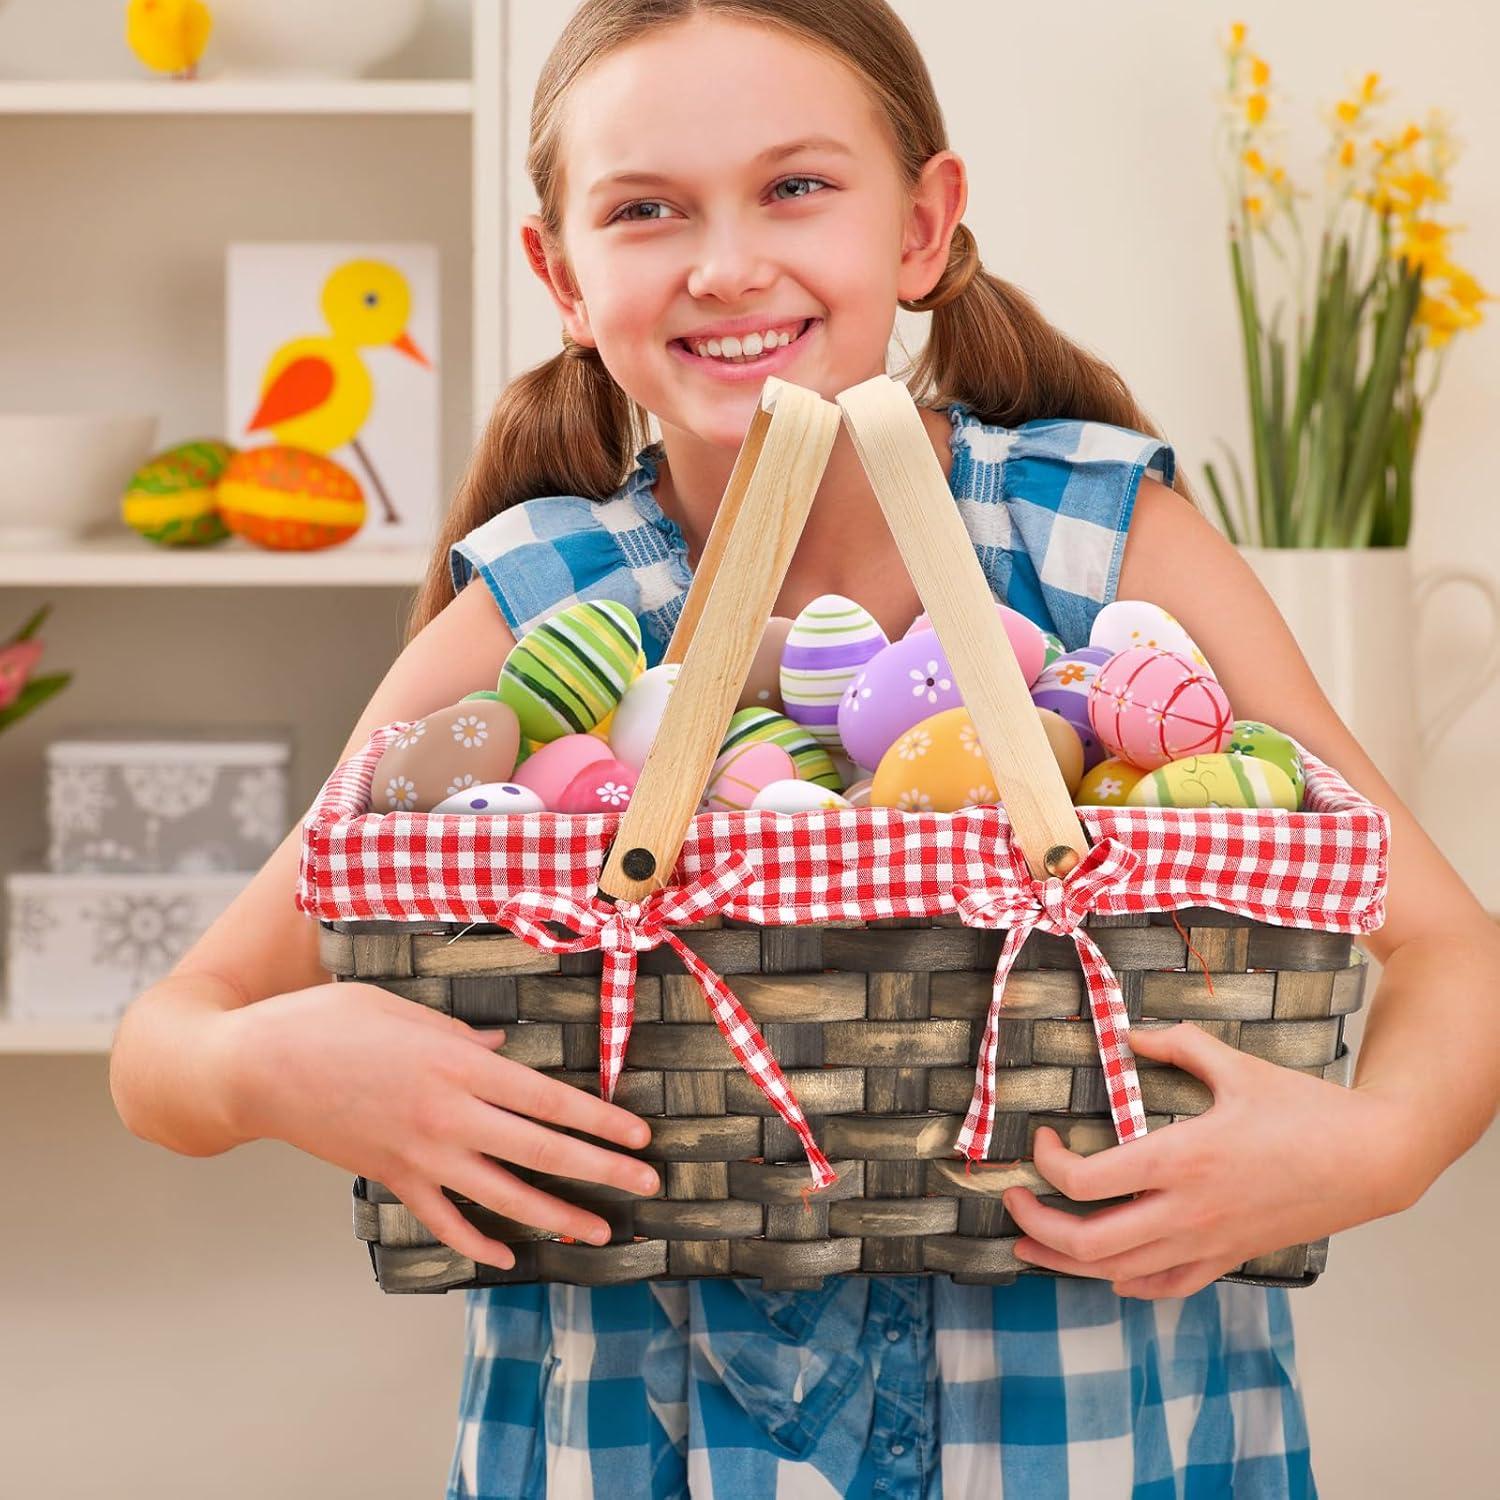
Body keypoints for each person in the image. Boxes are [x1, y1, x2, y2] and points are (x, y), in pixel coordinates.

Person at [110, 2, 1500, 1496]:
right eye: (647, 209)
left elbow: (1448, 947)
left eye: (795, 186)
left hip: (1107, 1444)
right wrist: (264, 1069)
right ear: (563, 277)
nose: (725, 262)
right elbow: (168, 1042)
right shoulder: (538, 611)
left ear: (924, 225)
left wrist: (1376, 1152)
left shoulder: (1100, 551)